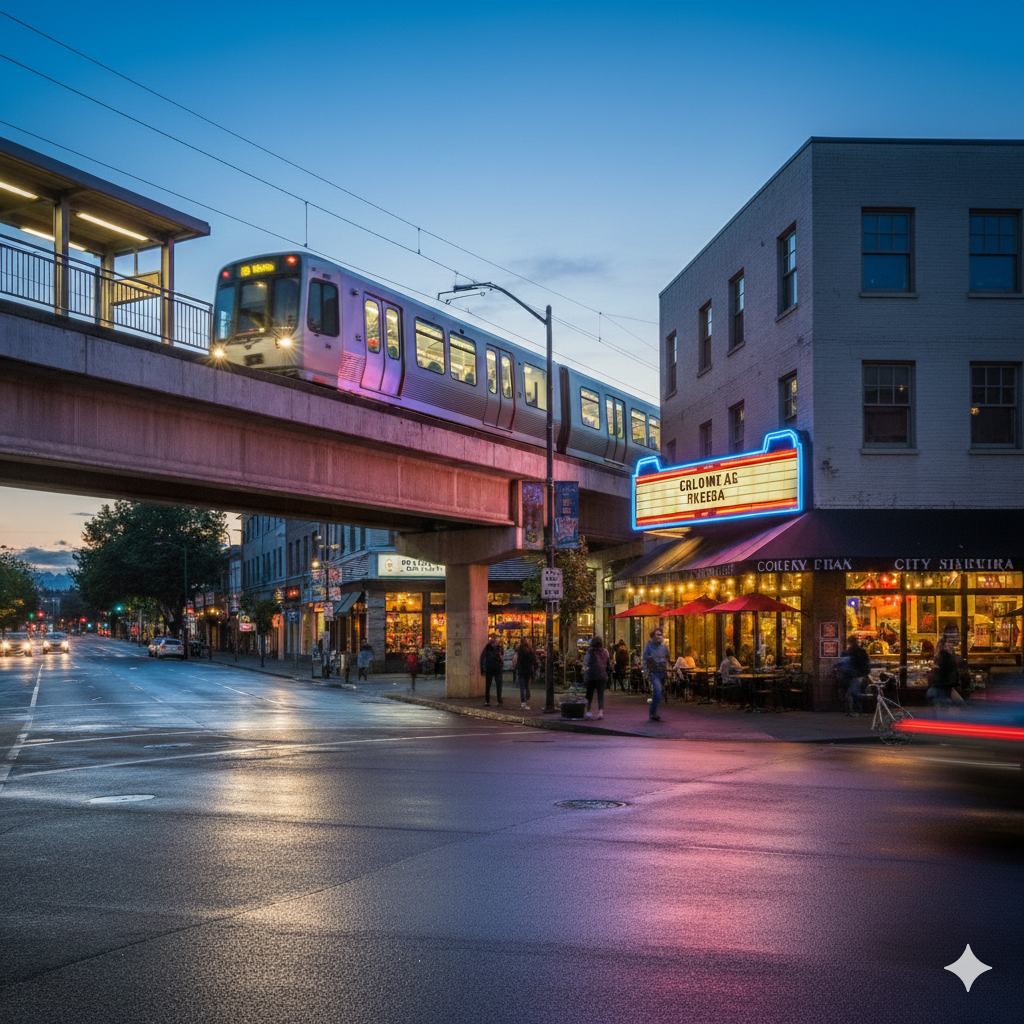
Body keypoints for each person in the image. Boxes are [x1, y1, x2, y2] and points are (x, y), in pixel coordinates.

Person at [642, 626, 670, 721]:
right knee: (658, 691)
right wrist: (646, 671)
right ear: (653, 636)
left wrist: (668, 668)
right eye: (657, 634)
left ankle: (653, 712)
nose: (659, 636)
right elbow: (645, 659)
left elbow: (667, 657)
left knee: (658, 693)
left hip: (662, 671)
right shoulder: (649, 646)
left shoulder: (664, 646)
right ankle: (652, 713)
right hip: (654, 672)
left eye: (660, 634)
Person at [841, 636, 871, 716]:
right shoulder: (861, 651)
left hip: (853, 674)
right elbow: (866, 662)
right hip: (859, 674)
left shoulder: (850, 652)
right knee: (856, 692)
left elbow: (848, 663)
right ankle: (858, 710)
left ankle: (854, 711)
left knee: (852, 693)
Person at [583, 635, 611, 719]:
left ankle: (588, 711)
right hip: (602, 675)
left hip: (591, 675)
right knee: (600, 694)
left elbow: (586, 663)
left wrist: (585, 671)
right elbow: (608, 663)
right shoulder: (605, 652)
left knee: (589, 694)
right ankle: (600, 711)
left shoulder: (590, 652)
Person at [928, 636, 958, 707]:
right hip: (943, 688)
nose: (951, 645)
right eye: (948, 643)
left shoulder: (943, 656)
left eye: (951, 643)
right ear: (944, 645)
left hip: (941, 688)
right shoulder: (946, 657)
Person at [480, 633, 505, 706]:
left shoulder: (487, 647)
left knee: (488, 685)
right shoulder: (499, 647)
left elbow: (483, 658)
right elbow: (502, 655)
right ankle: (499, 700)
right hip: (498, 668)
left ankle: (487, 701)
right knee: (499, 684)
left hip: (489, 668)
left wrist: (482, 669)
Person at [513, 638, 538, 709]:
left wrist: (515, 667)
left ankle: (523, 702)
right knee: (527, 686)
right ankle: (527, 696)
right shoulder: (530, 651)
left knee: (522, 687)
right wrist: (535, 668)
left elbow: (515, 659)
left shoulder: (519, 651)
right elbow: (534, 660)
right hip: (528, 670)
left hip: (521, 670)